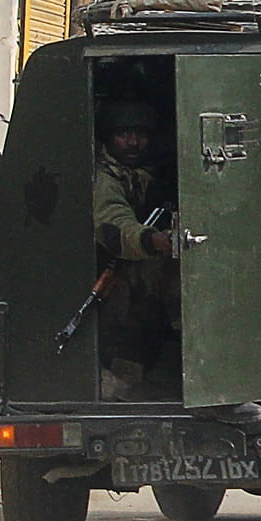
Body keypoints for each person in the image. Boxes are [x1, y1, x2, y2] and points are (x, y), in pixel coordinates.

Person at [93, 98, 180, 401]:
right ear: (108, 136)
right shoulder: (104, 178)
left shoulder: (153, 171)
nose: (133, 142)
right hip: (117, 270)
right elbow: (113, 224)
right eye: (123, 134)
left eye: (140, 134)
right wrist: (152, 241)